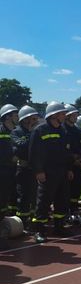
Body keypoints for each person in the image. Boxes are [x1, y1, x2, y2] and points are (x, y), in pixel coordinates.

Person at [29, 101, 73, 243]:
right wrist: (38, 171)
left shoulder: (62, 130)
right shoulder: (40, 130)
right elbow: (34, 153)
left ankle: (59, 227)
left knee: (62, 199)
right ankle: (39, 230)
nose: (64, 115)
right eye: (62, 113)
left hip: (61, 171)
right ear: (54, 115)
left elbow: (66, 153)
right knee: (44, 201)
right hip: (47, 172)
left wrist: (69, 169)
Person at [11, 105, 40, 232]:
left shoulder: (36, 132)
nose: (34, 121)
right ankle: (22, 223)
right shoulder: (16, 132)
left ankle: (33, 220)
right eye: (31, 119)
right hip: (22, 170)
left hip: (34, 169)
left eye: (35, 119)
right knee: (23, 196)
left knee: (34, 196)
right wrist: (31, 135)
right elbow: (20, 147)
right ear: (25, 119)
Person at [0, 104, 18, 248]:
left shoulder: (15, 131)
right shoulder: (1, 130)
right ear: (7, 116)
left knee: (6, 200)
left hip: (12, 170)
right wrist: (9, 159)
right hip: (3, 170)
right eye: (14, 114)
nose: (17, 117)